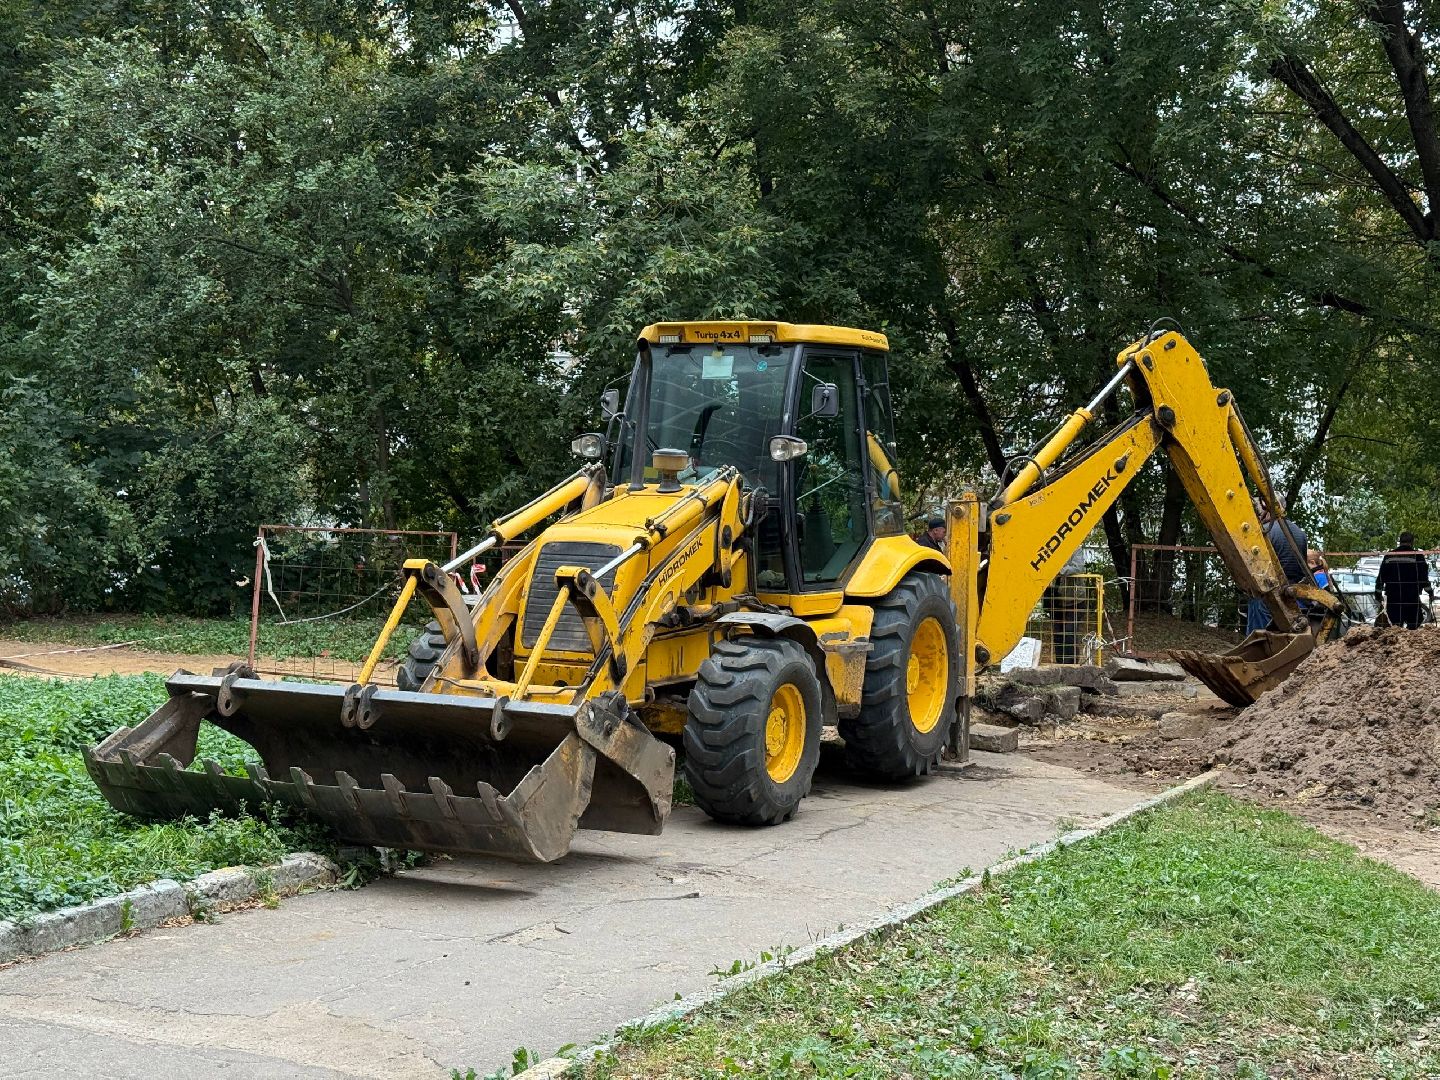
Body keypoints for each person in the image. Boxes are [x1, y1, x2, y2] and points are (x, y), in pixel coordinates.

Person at [1245, 496, 1308, 634]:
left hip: (1267, 598)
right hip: (1293, 595)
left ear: (1267, 509)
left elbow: (1257, 567)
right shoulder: (1299, 533)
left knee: (1259, 641)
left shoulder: (1264, 532)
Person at [1375, 532, 1434, 630]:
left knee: (1395, 627)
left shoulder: (1389, 556)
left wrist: (1378, 593)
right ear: (1412, 542)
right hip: (1411, 597)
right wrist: (1430, 592)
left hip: (1394, 598)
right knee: (1414, 625)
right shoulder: (1417, 556)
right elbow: (1423, 578)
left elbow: (1381, 577)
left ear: (1400, 541)